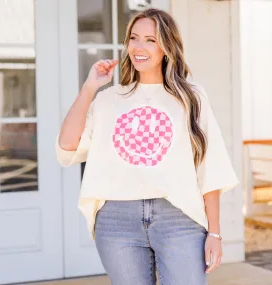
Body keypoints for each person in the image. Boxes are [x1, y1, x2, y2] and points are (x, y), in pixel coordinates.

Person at [55, 8, 239, 285]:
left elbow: (209, 167)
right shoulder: (108, 100)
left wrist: (215, 233)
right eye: (134, 38)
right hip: (118, 219)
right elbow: (67, 145)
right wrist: (89, 88)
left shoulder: (191, 97)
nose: (139, 47)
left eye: (150, 40)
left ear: (167, 46)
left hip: (179, 216)